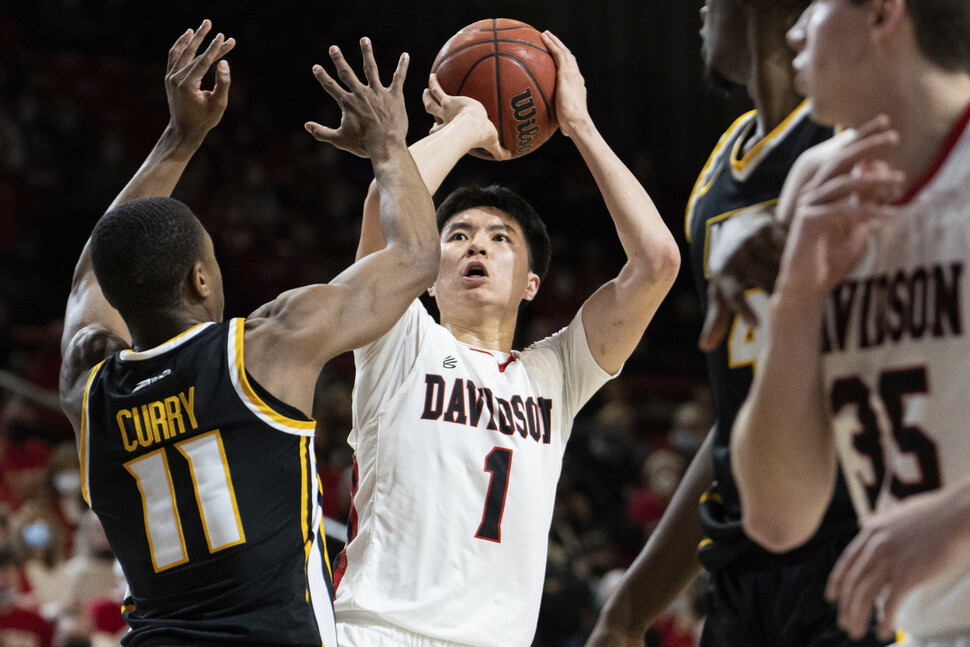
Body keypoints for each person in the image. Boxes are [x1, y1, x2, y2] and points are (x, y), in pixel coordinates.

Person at [57, 20, 439, 646]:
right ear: (202, 281)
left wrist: (179, 140)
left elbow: (88, 283)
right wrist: (389, 143)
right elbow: (418, 257)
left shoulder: (86, 390)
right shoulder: (266, 347)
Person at [330, 31, 680, 647]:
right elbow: (387, 210)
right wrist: (468, 128)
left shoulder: (555, 374)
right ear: (428, 276)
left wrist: (579, 125)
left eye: (500, 239)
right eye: (457, 235)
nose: (477, 246)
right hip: (377, 630)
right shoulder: (401, 341)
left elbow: (656, 262)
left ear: (531, 283)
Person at [587, 1, 890, 645]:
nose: (698, 9)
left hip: (866, 554)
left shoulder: (863, 136)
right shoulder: (717, 177)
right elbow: (738, 417)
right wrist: (630, 608)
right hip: (743, 578)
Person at [730, 0, 970, 644]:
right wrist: (797, 301)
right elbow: (778, 518)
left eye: (816, 3)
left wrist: (959, 516)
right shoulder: (818, 187)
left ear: (884, 12)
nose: (794, 30)